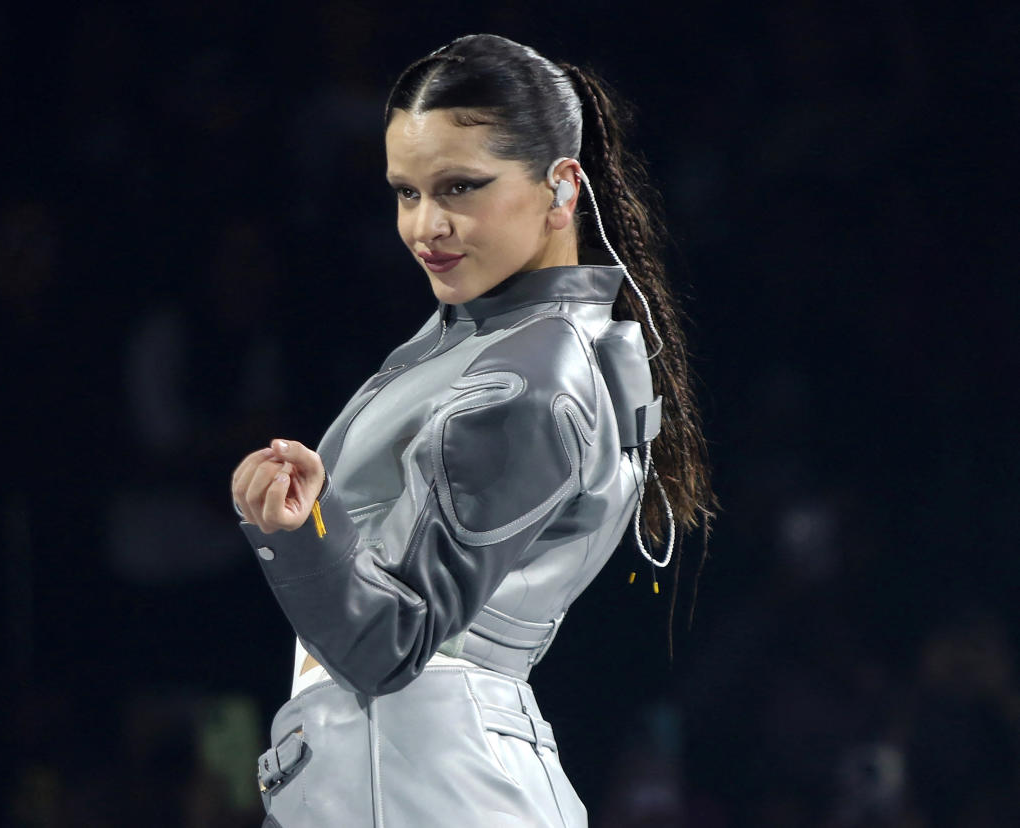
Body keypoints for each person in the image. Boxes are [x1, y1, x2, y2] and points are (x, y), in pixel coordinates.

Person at [230, 33, 715, 827]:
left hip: (429, 785)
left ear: (562, 188)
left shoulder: (526, 377)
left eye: (460, 187)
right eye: (406, 192)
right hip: (420, 776)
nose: (426, 226)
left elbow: (390, 644)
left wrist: (296, 528)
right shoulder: (493, 341)